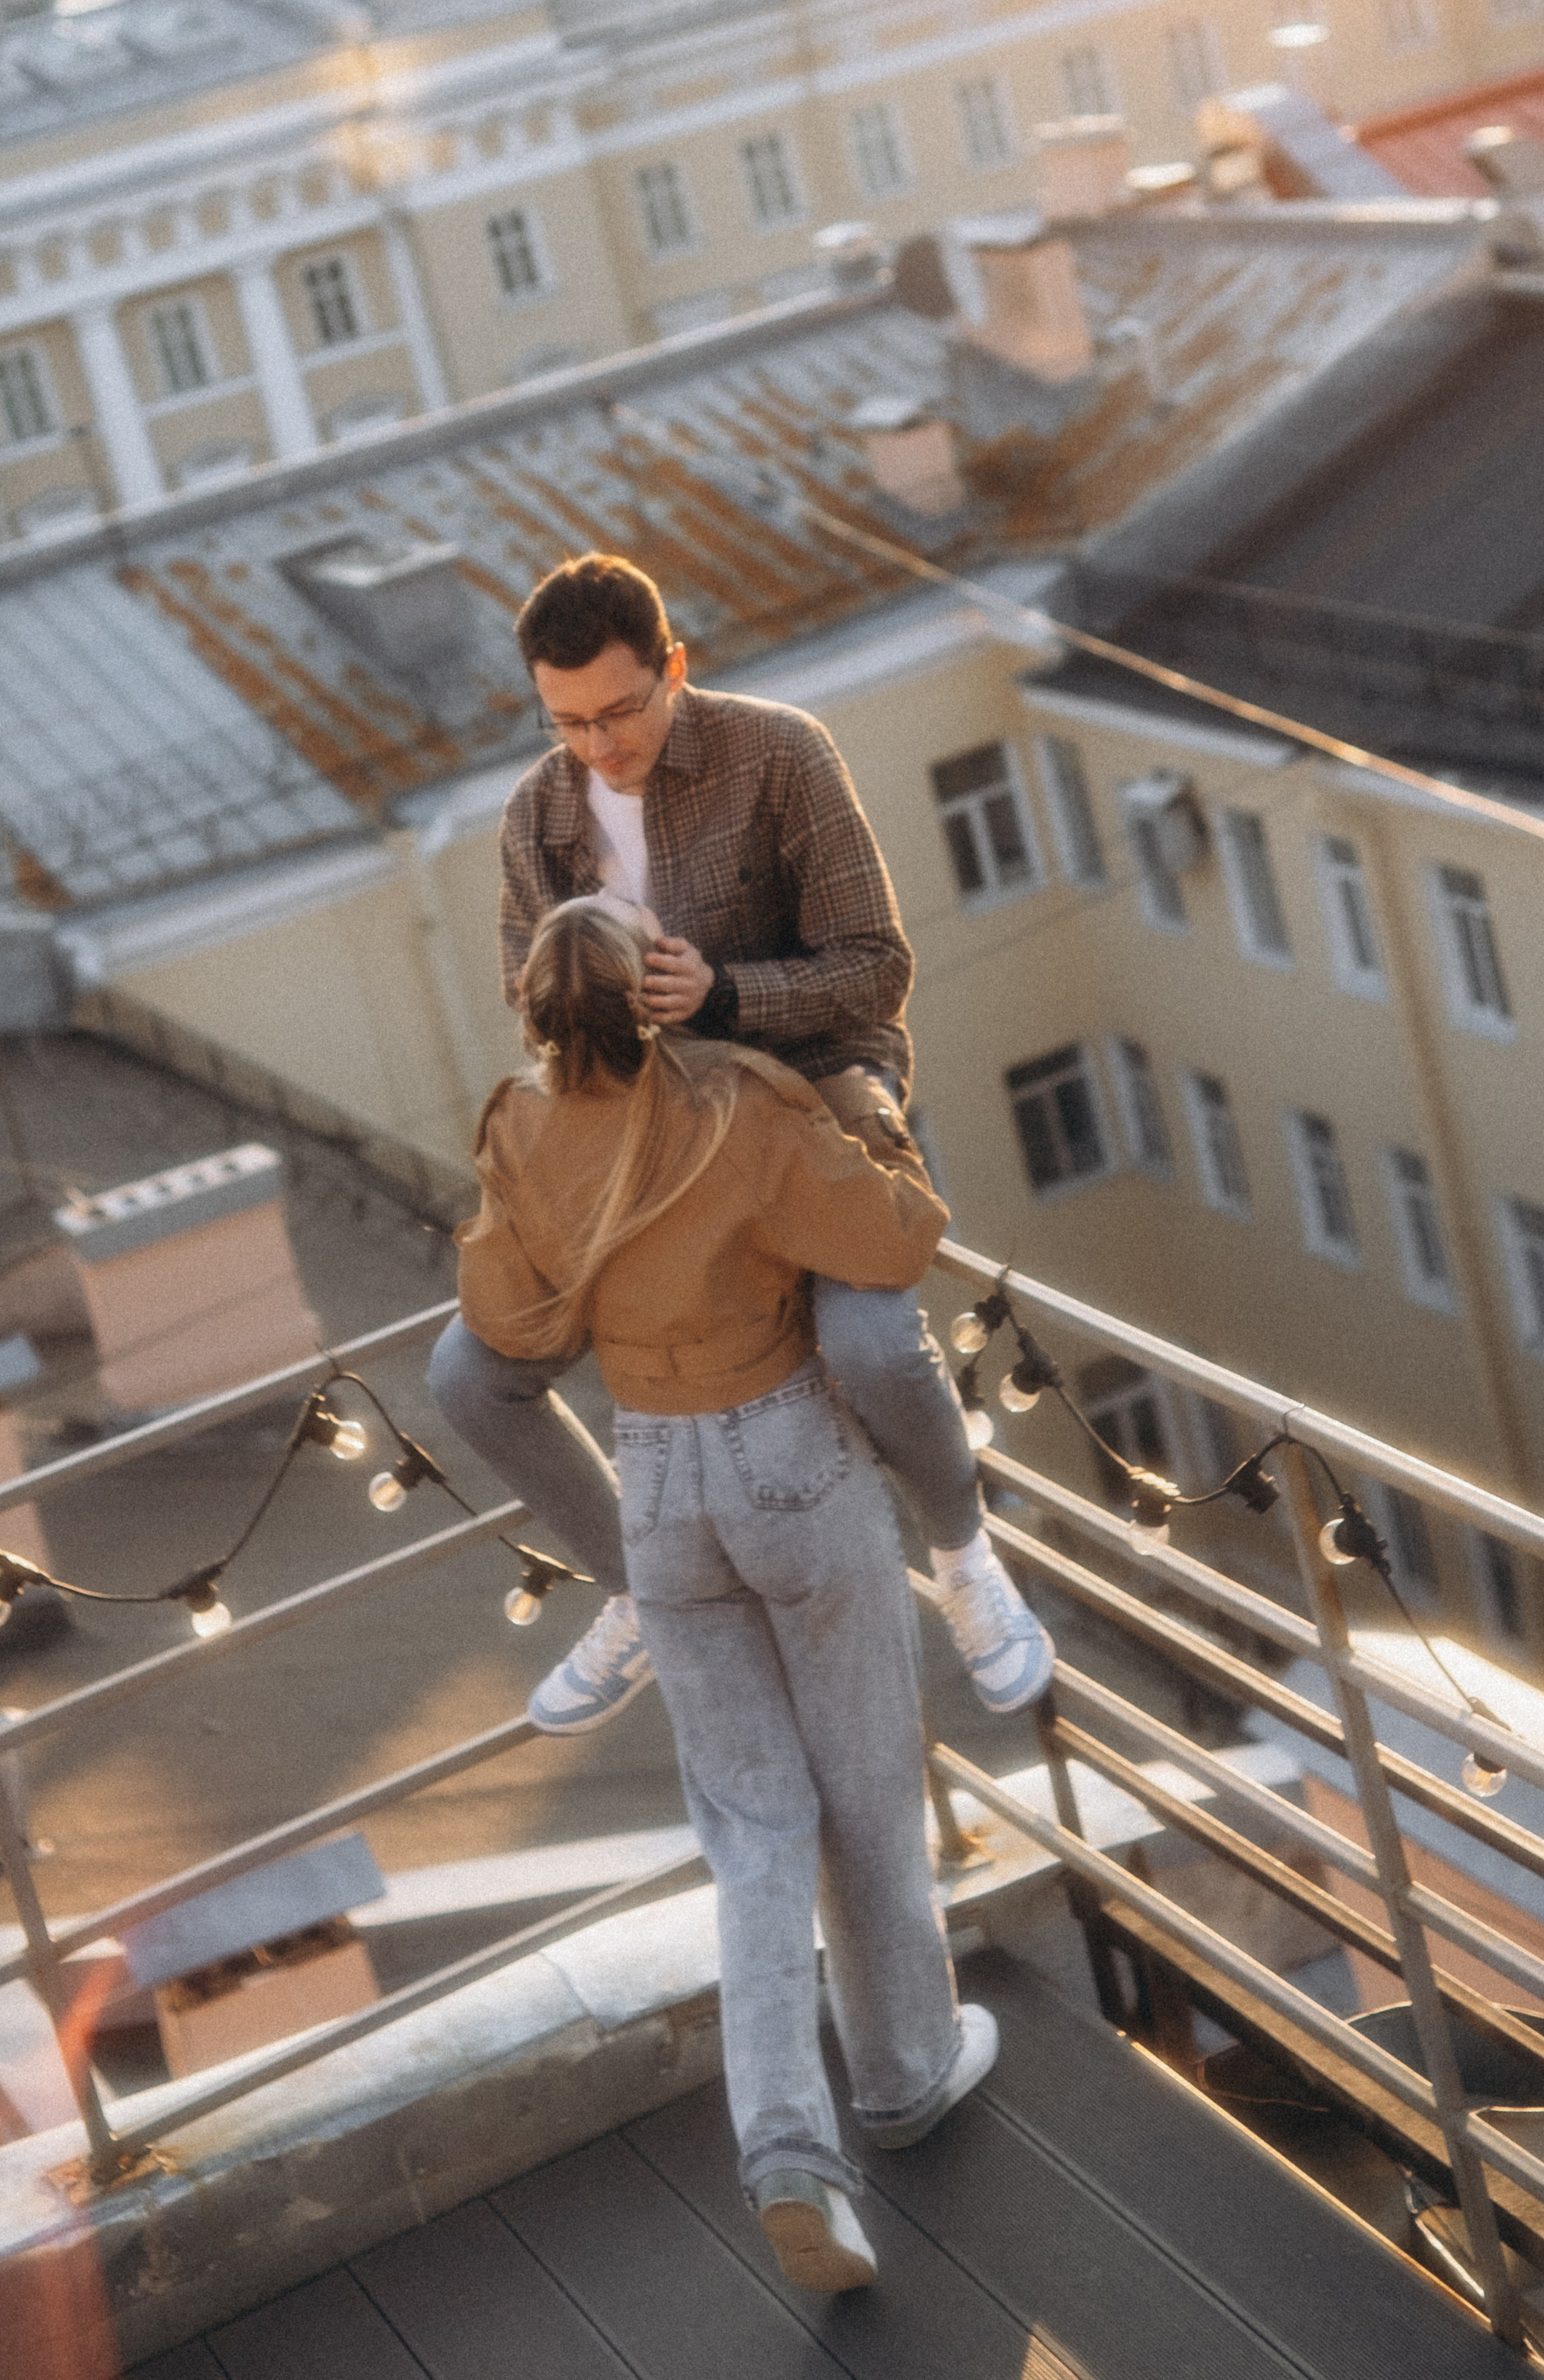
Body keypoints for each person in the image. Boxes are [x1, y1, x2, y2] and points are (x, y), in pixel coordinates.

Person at [454, 897, 998, 2291]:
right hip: (790, 1462)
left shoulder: (515, 1127)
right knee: (866, 1784)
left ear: (532, 1008)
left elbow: (513, 1329)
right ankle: (907, 2076)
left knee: (753, 1829)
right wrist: (873, 1120)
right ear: (656, 991)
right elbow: (894, 1244)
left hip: (653, 1482)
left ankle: (786, 2155)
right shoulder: (739, 1100)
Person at [429, 552, 1050, 1734]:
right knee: (467, 1376)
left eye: (622, 711)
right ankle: (643, 1593)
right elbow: (534, 1001)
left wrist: (721, 995)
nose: (601, 748)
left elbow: (877, 969)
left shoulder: (781, 754)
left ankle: (969, 1561)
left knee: (871, 1340)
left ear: (674, 666)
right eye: (569, 723)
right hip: (641, 1142)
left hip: (813, 1098)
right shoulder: (538, 813)